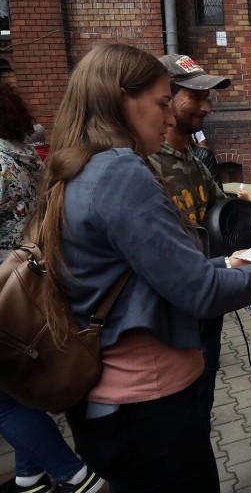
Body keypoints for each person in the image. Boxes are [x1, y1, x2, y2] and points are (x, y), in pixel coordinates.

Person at [24, 42, 251, 491]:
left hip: (111, 405)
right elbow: (199, 292)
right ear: (121, 97)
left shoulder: (78, 167)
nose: (169, 119)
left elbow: (149, 270)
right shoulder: (120, 172)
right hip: (148, 409)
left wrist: (225, 260)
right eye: (162, 103)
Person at [0, 83, 104, 493]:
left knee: (4, 401)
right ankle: (30, 475)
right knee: (19, 379)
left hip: (6, 288)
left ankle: (75, 475)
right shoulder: (23, 152)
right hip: (32, 280)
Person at [148, 53, 230, 434]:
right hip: (172, 317)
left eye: (208, 97)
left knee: (202, 409)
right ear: (164, 96)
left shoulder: (195, 160)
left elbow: (223, 213)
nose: (206, 106)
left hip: (208, 305)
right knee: (179, 417)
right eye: (194, 96)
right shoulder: (145, 164)